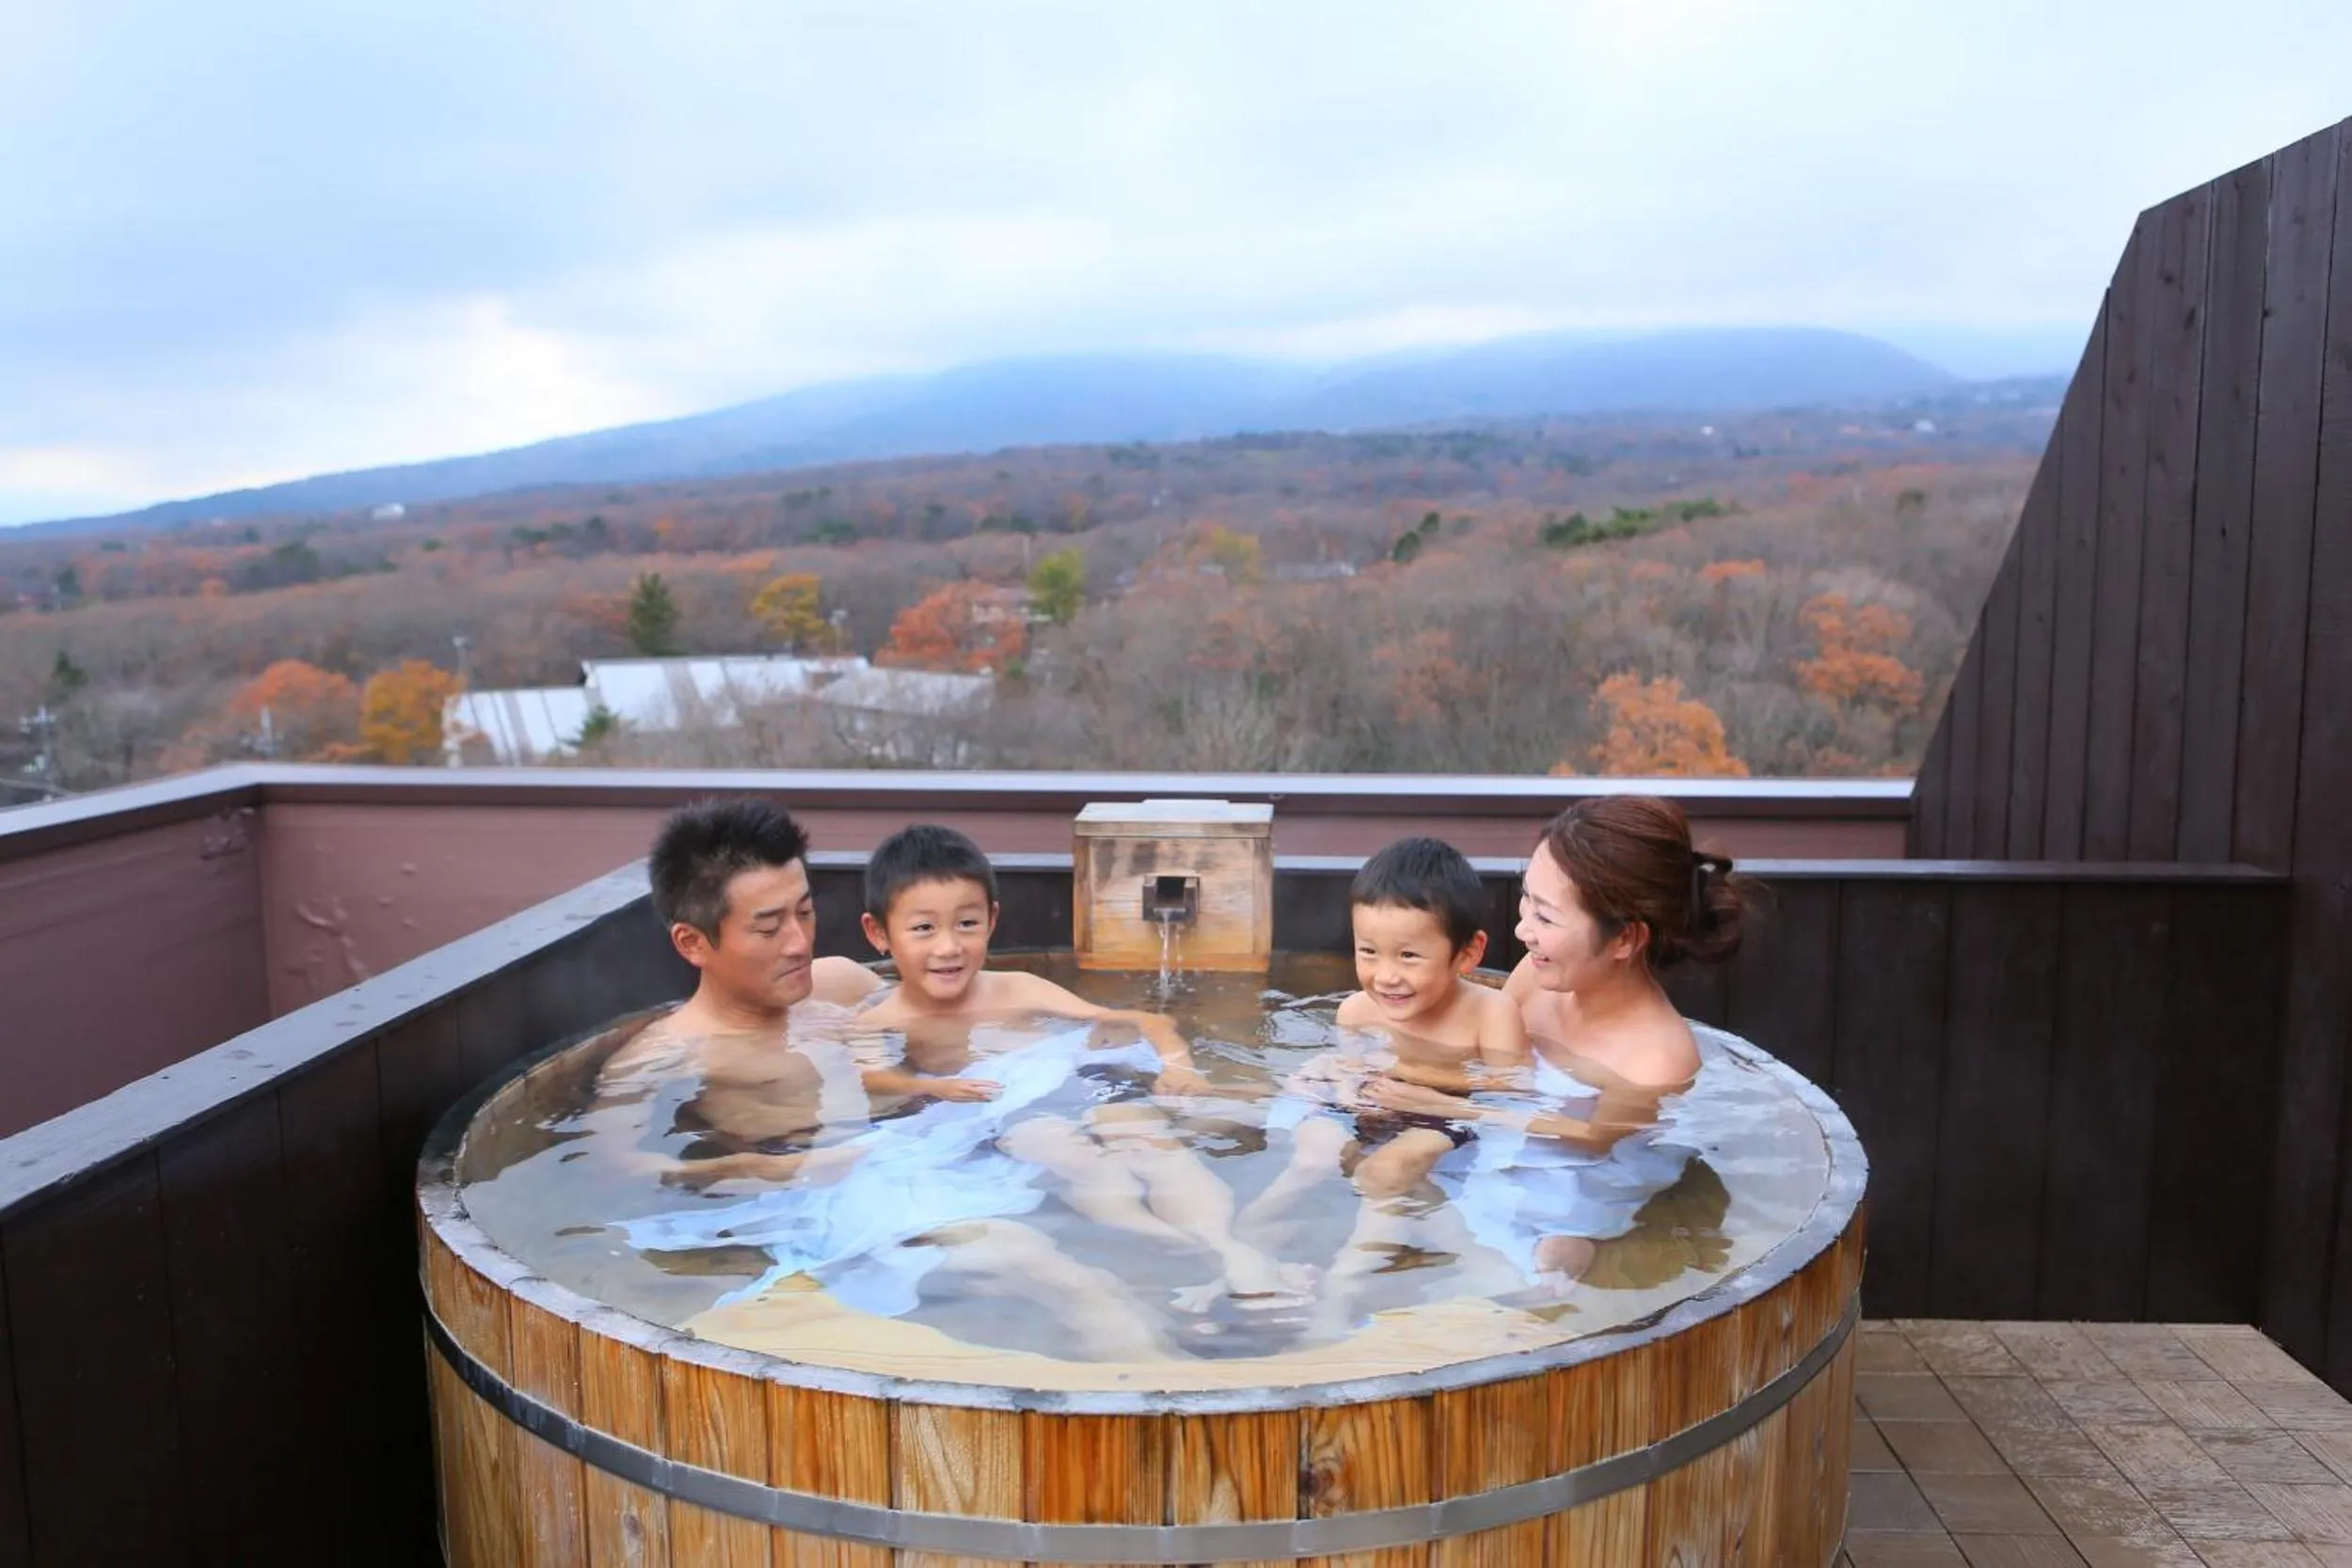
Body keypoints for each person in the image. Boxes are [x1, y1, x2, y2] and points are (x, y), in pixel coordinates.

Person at [1360, 795, 1752, 1292]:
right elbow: (1488, 1058)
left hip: (1587, 1174)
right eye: (1527, 899)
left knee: (1537, 1250)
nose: (1522, 929)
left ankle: (1567, 1261)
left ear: (1625, 939)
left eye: (1545, 918)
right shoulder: (1537, 976)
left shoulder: (1657, 1056)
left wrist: (1443, 1105)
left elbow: (1591, 1140)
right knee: (1372, 1161)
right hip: (1513, 1125)